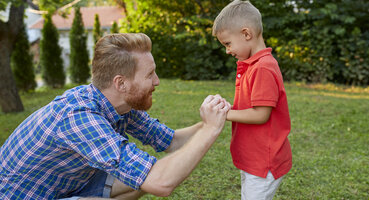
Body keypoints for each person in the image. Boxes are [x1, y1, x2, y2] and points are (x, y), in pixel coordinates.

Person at [0, 33, 230, 200]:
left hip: (66, 187)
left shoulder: (121, 104)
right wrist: (209, 130)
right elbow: (161, 182)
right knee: (148, 177)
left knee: (138, 181)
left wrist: (214, 119)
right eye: (150, 74)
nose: (157, 81)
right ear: (121, 83)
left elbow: (172, 142)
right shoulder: (80, 117)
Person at [212, 0, 292, 200]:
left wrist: (225, 113)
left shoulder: (263, 67)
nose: (227, 51)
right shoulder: (252, 65)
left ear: (246, 34)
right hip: (254, 159)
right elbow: (250, 107)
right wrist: (229, 107)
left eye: (228, 44)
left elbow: (260, 115)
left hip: (264, 162)